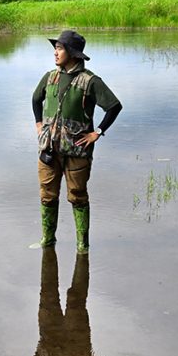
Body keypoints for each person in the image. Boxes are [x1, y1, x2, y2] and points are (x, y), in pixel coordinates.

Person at [32, 30, 122, 252]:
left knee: (78, 196)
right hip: (49, 149)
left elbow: (114, 106)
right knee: (47, 195)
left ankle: (83, 245)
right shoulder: (49, 77)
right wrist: (38, 124)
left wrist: (97, 132)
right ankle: (48, 240)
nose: (55, 52)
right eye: (56, 47)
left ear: (72, 53)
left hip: (77, 151)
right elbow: (36, 99)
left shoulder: (90, 81)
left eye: (60, 48)